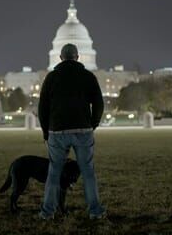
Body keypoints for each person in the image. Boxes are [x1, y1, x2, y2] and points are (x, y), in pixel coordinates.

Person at [38, 43, 105, 219]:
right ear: (78, 57)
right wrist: (93, 124)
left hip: (57, 131)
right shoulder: (87, 76)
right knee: (88, 172)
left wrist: (46, 132)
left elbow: (42, 108)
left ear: (60, 58)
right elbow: (99, 103)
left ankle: (47, 212)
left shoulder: (51, 78)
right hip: (83, 130)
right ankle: (95, 211)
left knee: (54, 173)